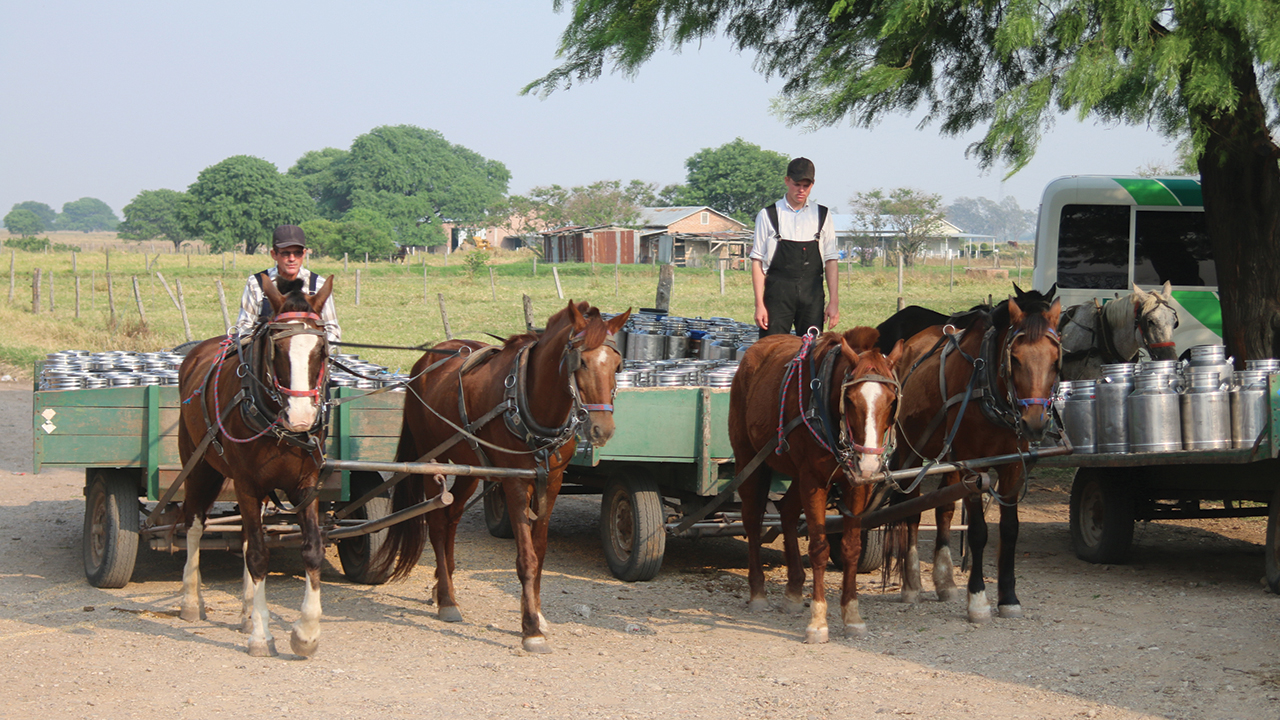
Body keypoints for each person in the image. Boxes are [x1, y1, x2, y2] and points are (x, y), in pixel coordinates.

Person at [749, 157, 840, 337]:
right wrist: (759, 305)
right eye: (796, 184)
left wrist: (834, 301)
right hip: (777, 294)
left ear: (813, 184)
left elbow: (831, 260)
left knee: (811, 352)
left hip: (812, 294)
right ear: (786, 180)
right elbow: (757, 262)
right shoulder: (768, 215)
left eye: (806, 186)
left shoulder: (822, 215)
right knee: (772, 350)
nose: (801, 190)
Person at [232, 225, 341, 342]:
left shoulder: (318, 285)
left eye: (297, 253)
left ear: (304, 253)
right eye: (286, 253)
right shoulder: (256, 284)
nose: (292, 259)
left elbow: (332, 329)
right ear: (274, 254)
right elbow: (244, 326)